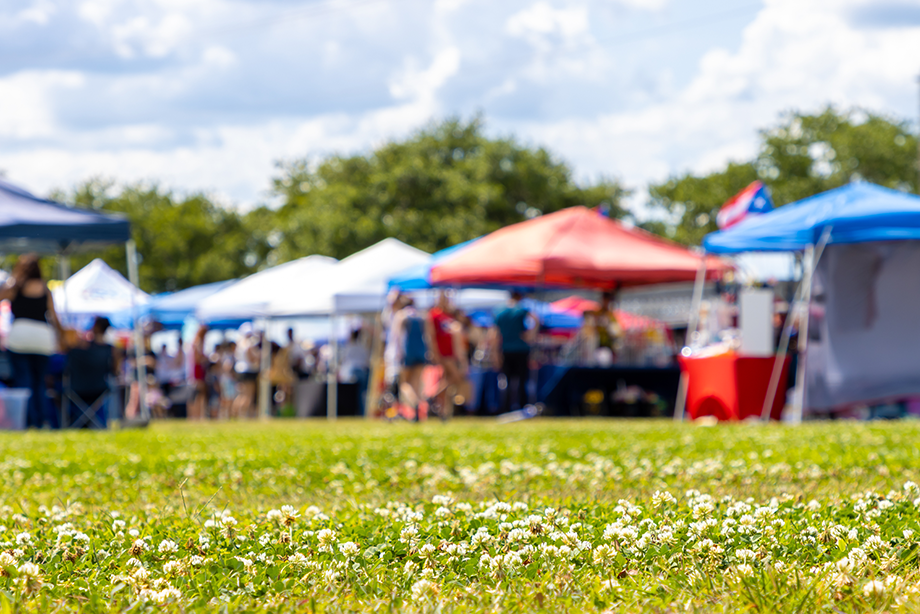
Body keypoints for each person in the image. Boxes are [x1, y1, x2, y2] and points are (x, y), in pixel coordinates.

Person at [0, 254, 62, 428]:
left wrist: (14, 277)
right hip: (42, 339)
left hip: (19, 338)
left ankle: (28, 421)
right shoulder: (45, 288)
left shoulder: (15, 286)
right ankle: (43, 420)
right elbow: (55, 317)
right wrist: (62, 337)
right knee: (40, 382)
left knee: (23, 381)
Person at [66, 316, 116, 428]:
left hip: (75, 389)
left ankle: (73, 423)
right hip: (100, 389)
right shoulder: (111, 350)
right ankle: (99, 424)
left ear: (96, 327)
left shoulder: (79, 348)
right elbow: (115, 371)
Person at [493, 291, 537, 413]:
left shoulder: (500, 312)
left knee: (506, 381)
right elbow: (536, 320)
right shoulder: (522, 310)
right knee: (522, 380)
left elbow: (495, 334)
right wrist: (531, 335)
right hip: (521, 349)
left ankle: (505, 407)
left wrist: (495, 354)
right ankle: (523, 406)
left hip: (505, 349)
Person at [427, 291, 467, 419]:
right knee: (456, 376)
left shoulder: (447, 316)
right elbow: (431, 335)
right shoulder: (434, 315)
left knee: (448, 380)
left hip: (452, 352)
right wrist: (434, 352)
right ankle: (432, 396)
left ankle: (444, 412)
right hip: (443, 352)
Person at [393, 298, 428, 420]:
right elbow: (428, 336)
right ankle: (417, 411)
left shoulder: (401, 316)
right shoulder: (422, 316)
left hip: (407, 352)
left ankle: (415, 404)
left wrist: (397, 355)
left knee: (404, 384)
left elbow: (397, 337)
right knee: (416, 383)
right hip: (421, 351)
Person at [339, 329, 371, 415]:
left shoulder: (349, 347)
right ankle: (361, 413)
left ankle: (353, 413)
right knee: (361, 394)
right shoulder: (362, 347)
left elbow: (344, 360)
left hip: (352, 371)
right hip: (362, 371)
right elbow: (367, 361)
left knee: (351, 394)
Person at [188, 325, 209, 420]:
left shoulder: (196, 342)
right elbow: (197, 358)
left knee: (199, 394)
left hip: (198, 369)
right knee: (198, 393)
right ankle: (196, 415)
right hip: (197, 369)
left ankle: (199, 415)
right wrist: (205, 358)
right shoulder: (197, 342)